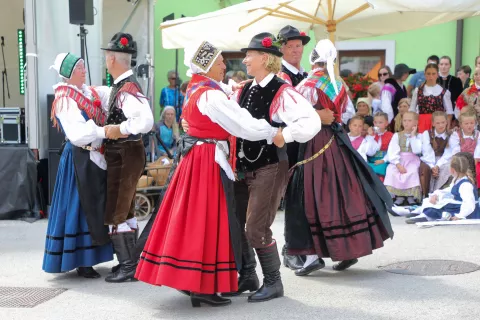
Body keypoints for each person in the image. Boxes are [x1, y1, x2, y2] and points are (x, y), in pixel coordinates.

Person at [134, 40, 286, 307]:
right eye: (219, 63)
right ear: (206, 67)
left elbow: (226, 95)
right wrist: (273, 132)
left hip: (197, 158)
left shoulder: (196, 87)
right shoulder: (210, 95)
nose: (224, 66)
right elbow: (241, 124)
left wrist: (240, 87)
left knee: (198, 219)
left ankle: (204, 282)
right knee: (208, 220)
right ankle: (202, 285)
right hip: (207, 161)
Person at [284, 40, 394, 277]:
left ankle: (312, 255)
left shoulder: (307, 84)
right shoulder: (339, 84)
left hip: (313, 142)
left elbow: (296, 115)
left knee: (313, 196)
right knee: (342, 193)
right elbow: (346, 114)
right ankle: (347, 250)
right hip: (337, 142)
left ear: (313, 59)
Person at [225, 32, 321, 301]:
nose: (244, 60)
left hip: (270, 166)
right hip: (242, 167)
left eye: (249, 55)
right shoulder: (244, 88)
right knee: (239, 222)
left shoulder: (282, 91)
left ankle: (274, 282)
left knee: (256, 227)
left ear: (264, 58)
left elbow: (311, 121)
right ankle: (247, 275)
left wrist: (286, 135)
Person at [43, 53, 113, 278]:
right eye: (79, 68)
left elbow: (110, 93)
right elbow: (78, 134)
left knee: (93, 204)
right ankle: (81, 260)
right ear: (69, 74)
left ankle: (90, 257)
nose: (84, 71)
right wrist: (104, 131)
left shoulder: (86, 92)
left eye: (83, 67)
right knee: (81, 206)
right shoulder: (64, 98)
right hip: (78, 159)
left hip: (92, 156)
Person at [101, 33, 154, 283]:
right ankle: (131, 262)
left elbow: (146, 121)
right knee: (127, 208)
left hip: (124, 153)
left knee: (118, 209)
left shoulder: (126, 88)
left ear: (112, 59)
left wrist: (119, 129)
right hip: (126, 153)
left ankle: (128, 265)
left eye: (106, 56)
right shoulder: (123, 85)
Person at [276, 25, 312, 269]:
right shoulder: (281, 77)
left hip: (307, 140)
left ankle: (304, 246)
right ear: (282, 49)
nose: (295, 50)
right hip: (289, 142)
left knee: (306, 195)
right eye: (290, 46)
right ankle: (290, 248)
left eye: (298, 45)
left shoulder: (306, 75)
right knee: (293, 196)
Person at [407, 153, 480, 223]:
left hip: (465, 211)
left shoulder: (465, 185)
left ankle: (427, 215)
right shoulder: (456, 179)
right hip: (458, 205)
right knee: (437, 199)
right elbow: (449, 190)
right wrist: (436, 194)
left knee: (440, 206)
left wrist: (460, 215)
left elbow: (469, 202)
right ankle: (421, 211)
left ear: (452, 170)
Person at [384, 112, 434, 205]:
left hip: (412, 159)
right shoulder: (397, 135)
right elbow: (392, 151)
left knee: (412, 171)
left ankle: (410, 196)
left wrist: (412, 136)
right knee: (391, 170)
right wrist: (397, 164)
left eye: (409, 121)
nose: (406, 123)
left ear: (415, 122)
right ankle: (399, 196)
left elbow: (417, 150)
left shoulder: (419, 136)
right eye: (404, 120)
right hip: (399, 159)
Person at [410, 63, 454, 132]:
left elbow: (449, 112)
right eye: (428, 74)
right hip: (421, 124)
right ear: (425, 75)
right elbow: (412, 110)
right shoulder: (418, 90)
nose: (431, 77)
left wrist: (447, 127)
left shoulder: (444, 92)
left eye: (433, 74)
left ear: (437, 74)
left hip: (438, 124)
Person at [419, 111, 453, 194]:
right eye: (438, 123)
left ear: (446, 122)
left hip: (444, 160)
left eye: (443, 122)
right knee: (424, 169)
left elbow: (448, 153)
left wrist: (438, 165)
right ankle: (425, 195)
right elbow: (427, 152)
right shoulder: (427, 134)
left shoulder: (451, 135)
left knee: (448, 168)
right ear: (433, 123)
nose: (441, 125)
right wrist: (433, 166)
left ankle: (439, 192)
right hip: (429, 160)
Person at [367, 112, 394, 182]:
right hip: (371, 159)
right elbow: (368, 151)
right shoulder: (370, 135)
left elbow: (392, 151)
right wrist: (370, 136)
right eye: (375, 122)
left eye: (380, 122)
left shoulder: (391, 136)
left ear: (386, 123)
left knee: (381, 169)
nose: (377, 125)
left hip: (384, 160)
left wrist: (383, 160)